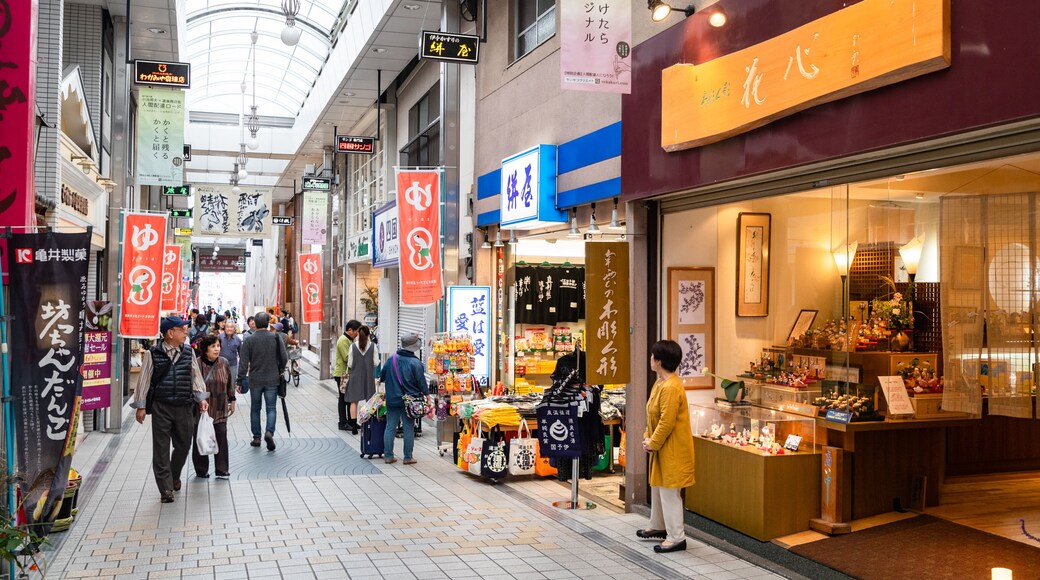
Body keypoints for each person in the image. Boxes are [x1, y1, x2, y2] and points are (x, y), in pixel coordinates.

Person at [132, 316, 210, 503]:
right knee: (161, 449)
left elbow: (195, 376)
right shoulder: (153, 353)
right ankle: (165, 489)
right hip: (162, 406)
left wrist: (201, 398)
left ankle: (174, 475)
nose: (186, 333)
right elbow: (144, 380)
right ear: (170, 333)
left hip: (184, 405)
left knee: (184, 445)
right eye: (183, 330)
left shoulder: (188, 352)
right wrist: (141, 406)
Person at [639, 340, 696, 553]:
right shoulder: (660, 383)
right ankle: (658, 526)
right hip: (662, 447)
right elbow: (652, 416)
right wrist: (648, 437)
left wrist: (652, 442)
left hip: (672, 449)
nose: (650, 359)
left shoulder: (671, 388)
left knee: (670, 492)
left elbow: (666, 421)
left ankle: (676, 537)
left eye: (653, 356)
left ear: (659, 361)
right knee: (658, 487)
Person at [237, 312, 287, 451]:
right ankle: (269, 432)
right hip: (272, 378)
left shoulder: (249, 340)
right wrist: (280, 369)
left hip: (255, 379)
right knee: (271, 408)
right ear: (268, 323)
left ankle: (257, 437)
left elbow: (243, 362)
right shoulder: (276, 337)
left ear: (255, 323)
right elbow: (284, 357)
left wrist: (240, 380)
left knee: (255, 408)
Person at [379, 332, 429, 465]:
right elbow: (421, 382)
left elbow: (382, 376)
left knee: (390, 427)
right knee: (408, 428)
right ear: (414, 346)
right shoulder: (415, 363)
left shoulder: (391, 359)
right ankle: (408, 457)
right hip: (410, 402)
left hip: (392, 400)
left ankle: (388, 456)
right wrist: (427, 395)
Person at [192, 335, 236, 479]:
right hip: (201, 409)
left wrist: (232, 399)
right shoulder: (196, 364)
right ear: (205, 350)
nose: (217, 349)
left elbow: (229, 382)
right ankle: (201, 469)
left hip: (220, 407)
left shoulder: (224, 362)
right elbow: (192, 385)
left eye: (218, 346)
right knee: (201, 436)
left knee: (221, 435)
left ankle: (222, 469)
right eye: (213, 346)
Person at [344, 325, 376, 435]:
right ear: (368, 335)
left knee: (354, 401)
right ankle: (368, 424)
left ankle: (353, 426)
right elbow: (376, 362)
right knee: (369, 401)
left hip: (355, 376)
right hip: (368, 377)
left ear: (358, 334)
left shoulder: (353, 346)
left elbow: (349, 364)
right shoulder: (373, 346)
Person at [334, 320, 362, 431]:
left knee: (349, 398)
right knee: (343, 399)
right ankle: (343, 422)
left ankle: (351, 421)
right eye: (356, 332)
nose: (357, 334)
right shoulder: (343, 340)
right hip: (342, 374)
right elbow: (347, 358)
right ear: (350, 330)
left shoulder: (349, 340)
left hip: (347, 374)